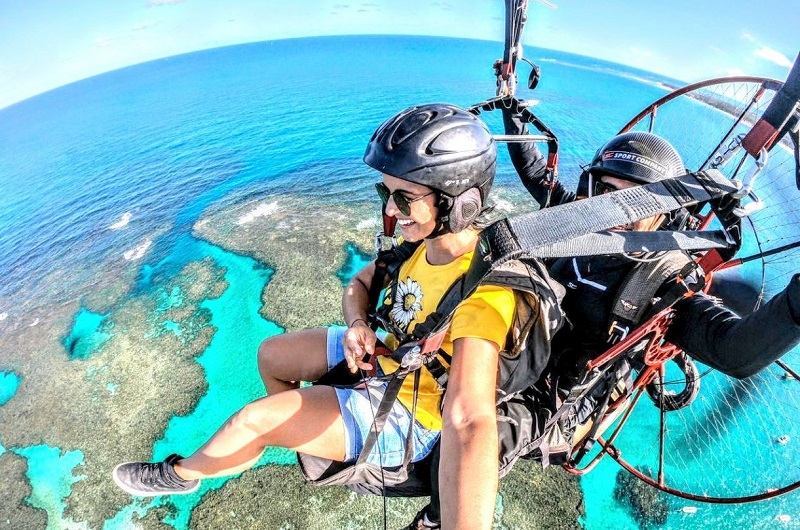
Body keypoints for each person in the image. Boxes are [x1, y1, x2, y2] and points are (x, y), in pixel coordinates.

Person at [112, 103, 520, 530]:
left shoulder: (485, 291)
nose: (392, 210)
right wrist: (359, 325)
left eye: (404, 198)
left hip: (412, 415)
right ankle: (282, 435)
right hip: (387, 358)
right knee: (271, 354)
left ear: (461, 205)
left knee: (251, 420)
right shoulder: (421, 248)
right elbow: (358, 287)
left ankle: (185, 474)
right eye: (386, 194)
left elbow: (470, 419)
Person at [502, 107, 800, 380]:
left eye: (638, 200)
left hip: (550, 399)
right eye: (608, 190)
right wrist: (511, 109)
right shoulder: (576, 220)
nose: (615, 208)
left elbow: (734, 352)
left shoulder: (659, 283)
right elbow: (535, 173)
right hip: (508, 347)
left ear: (663, 215)